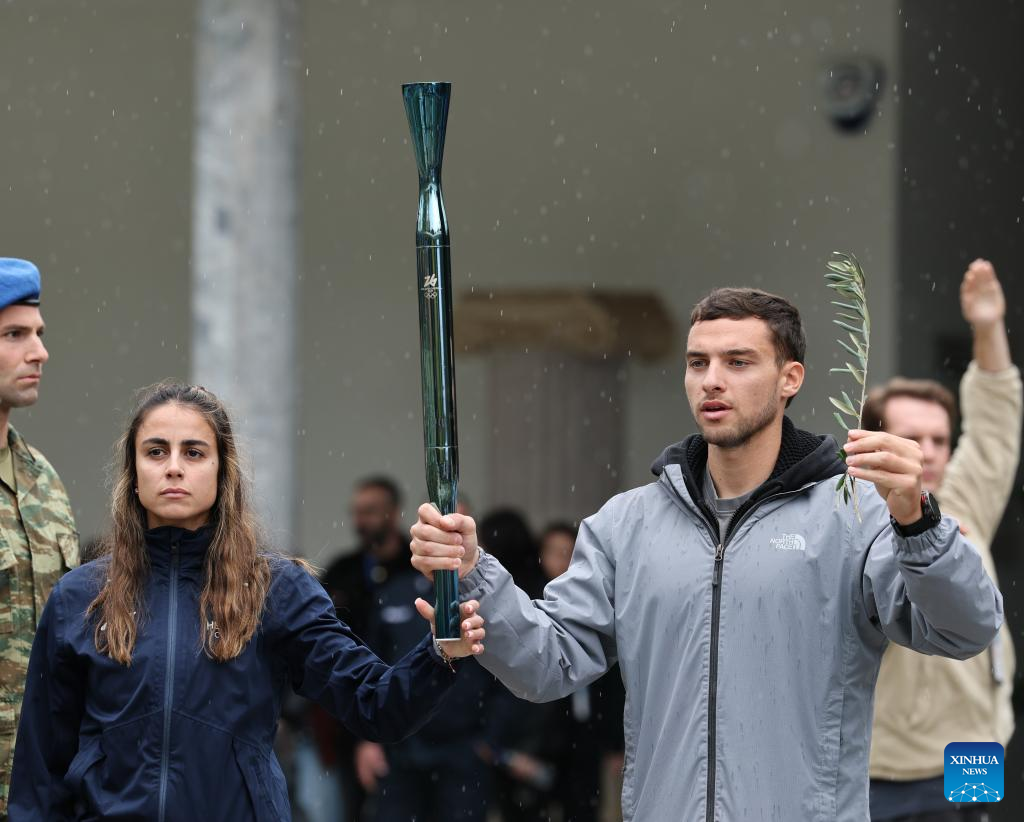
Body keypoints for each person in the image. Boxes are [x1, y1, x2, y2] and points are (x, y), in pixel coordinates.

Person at [409, 287, 1004, 821]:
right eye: (698, 363)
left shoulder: (857, 517)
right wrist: (473, 572)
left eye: (738, 362)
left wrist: (916, 519)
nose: (711, 380)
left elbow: (966, 629)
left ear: (790, 378)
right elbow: (548, 664)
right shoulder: (626, 524)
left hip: (926, 778)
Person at [7, 382, 485, 820]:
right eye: (156, 451)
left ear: (222, 473)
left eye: (194, 452)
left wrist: (439, 654)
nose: (174, 466)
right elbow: (39, 774)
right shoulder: (80, 598)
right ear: (134, 474)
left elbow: (375, 705)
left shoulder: (275, 589)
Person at [865, 259, 1020, 822]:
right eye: (911, 437)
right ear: (874, 440)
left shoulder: (965, 499)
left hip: (969, 751)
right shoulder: (844, 518)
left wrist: (987, 326)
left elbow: (998, 424)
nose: (927, 451)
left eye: (938, 438)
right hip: (872, 765)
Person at [0, 258, 79, 815]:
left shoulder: (42, 477)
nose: (40, 352)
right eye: (14, 334)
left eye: (40, 334)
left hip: (44, 789)